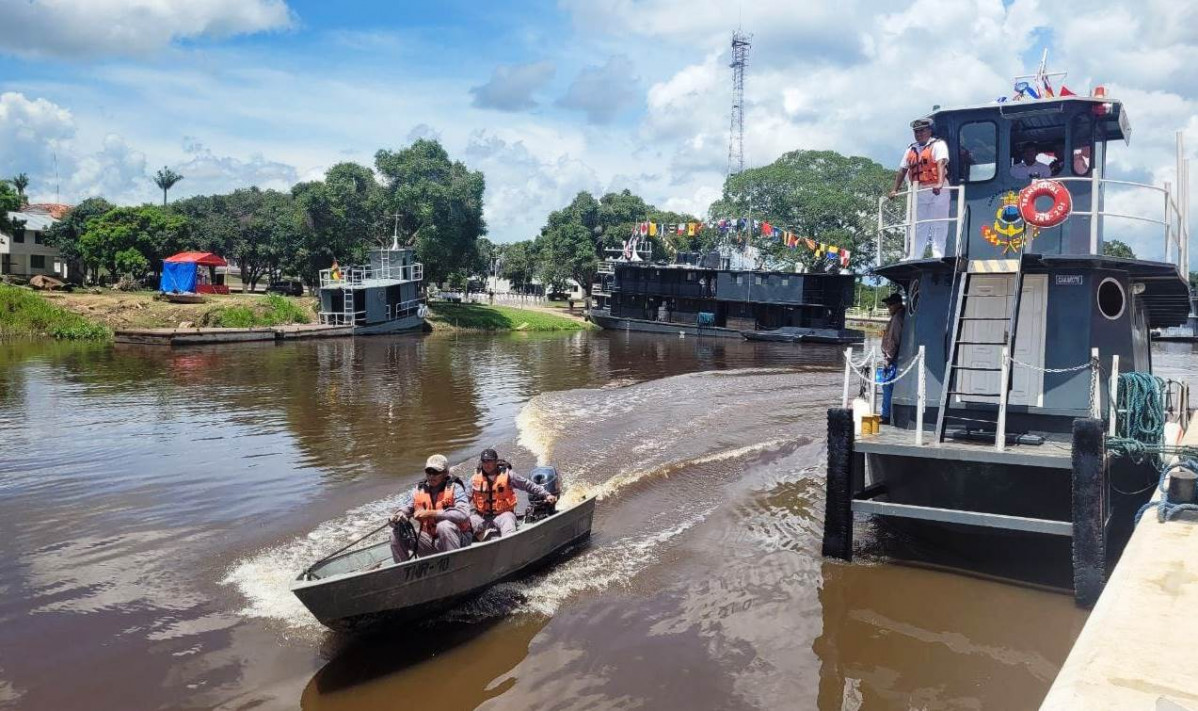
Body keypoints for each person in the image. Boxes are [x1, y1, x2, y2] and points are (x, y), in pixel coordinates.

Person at [388, 454, 472, 562]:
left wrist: (432, 513)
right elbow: (406, 508)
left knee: (444, 526)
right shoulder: (417, 490)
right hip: (431, 541)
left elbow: (463, 514)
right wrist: (398, 516)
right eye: (429, 472)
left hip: (458, 541)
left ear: (445, 473)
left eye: (436, 472)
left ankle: (454, 565)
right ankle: (403, 572)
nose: (431, 476)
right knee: (396, 532)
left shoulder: (456, 488)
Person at [890, 118, 950, 260]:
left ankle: (938, 254)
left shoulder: (938, 145)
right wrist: (895, 189)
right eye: (916, 132)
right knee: (919, 224)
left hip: (937, 189)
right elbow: (902, 170)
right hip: (919, 189)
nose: (919, 134)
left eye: (922, 131)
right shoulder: (911, 148)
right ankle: (915, 255)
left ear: (929, 131)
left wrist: (940, 183)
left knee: (939, 222)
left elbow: (941, 163)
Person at [470, 448, 557, 541]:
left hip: (504, 515)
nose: (487, 464)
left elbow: (527, 485)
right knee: (466, 523)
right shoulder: (475, 479)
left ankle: (508, 546)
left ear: (495, 461)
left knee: (508, 523)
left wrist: (546, 494)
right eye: (484, 461)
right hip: (482, 516)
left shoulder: (509, 475)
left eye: (489, 461)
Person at [880, 292, 906, 425]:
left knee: (887, 385)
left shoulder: (897, 318)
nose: (888, 307)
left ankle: (886, 416)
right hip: (897, 358)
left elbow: (893, 340)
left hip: (894, 359)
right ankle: (887, 414)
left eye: (890, 304)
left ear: (897, 304)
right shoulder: (899, 315)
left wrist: (887, 360)